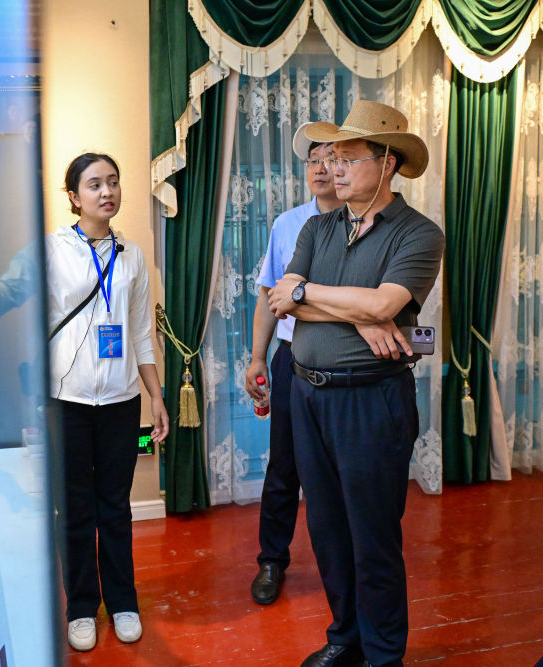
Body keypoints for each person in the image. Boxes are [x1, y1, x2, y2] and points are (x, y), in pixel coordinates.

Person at [268, 101, 444, 667]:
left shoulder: (418, 233)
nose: (333, 168)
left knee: (373, 537)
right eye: (331, 157)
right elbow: (281, 298)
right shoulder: (317, 227)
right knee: (326, 530)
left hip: (372, 401)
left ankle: (384, 655)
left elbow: (384, 303)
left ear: (387, 162)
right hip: (307, 394)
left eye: (348, 158)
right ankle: (346, 637)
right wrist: (358, 314)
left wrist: (317, 297)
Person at [51, 152, 169, 652]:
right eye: (95, 184)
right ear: (74, 196)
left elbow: (140, 333)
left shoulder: (131, 255)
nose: (107, 192)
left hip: (121, 401)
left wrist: (156, 397)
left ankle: (123, 601)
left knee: (115, 508)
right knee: (75, 509)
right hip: (68, 401)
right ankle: (81, 607)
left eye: (113, 182)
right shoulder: (53, 250)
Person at [245, 129, 338, 606]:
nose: (321, 168)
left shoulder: (360, 222)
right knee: (284, 465)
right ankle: (271, 560)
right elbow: (268, 294)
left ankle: (341, 562)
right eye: (313, 160)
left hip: (343, 361)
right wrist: (257, 357)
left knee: (338, 469)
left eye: (331, 157)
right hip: (291, 356)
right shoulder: (288, 224)